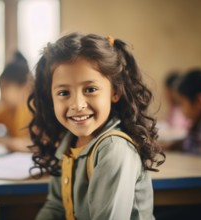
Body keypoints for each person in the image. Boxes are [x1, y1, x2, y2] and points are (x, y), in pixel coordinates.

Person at [28, 33, 165, 220]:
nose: (77, 104)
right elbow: (56, 207)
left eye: (90, 89)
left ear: (115, 92)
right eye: (63, 92)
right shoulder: (68, 143)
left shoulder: (113, 149)